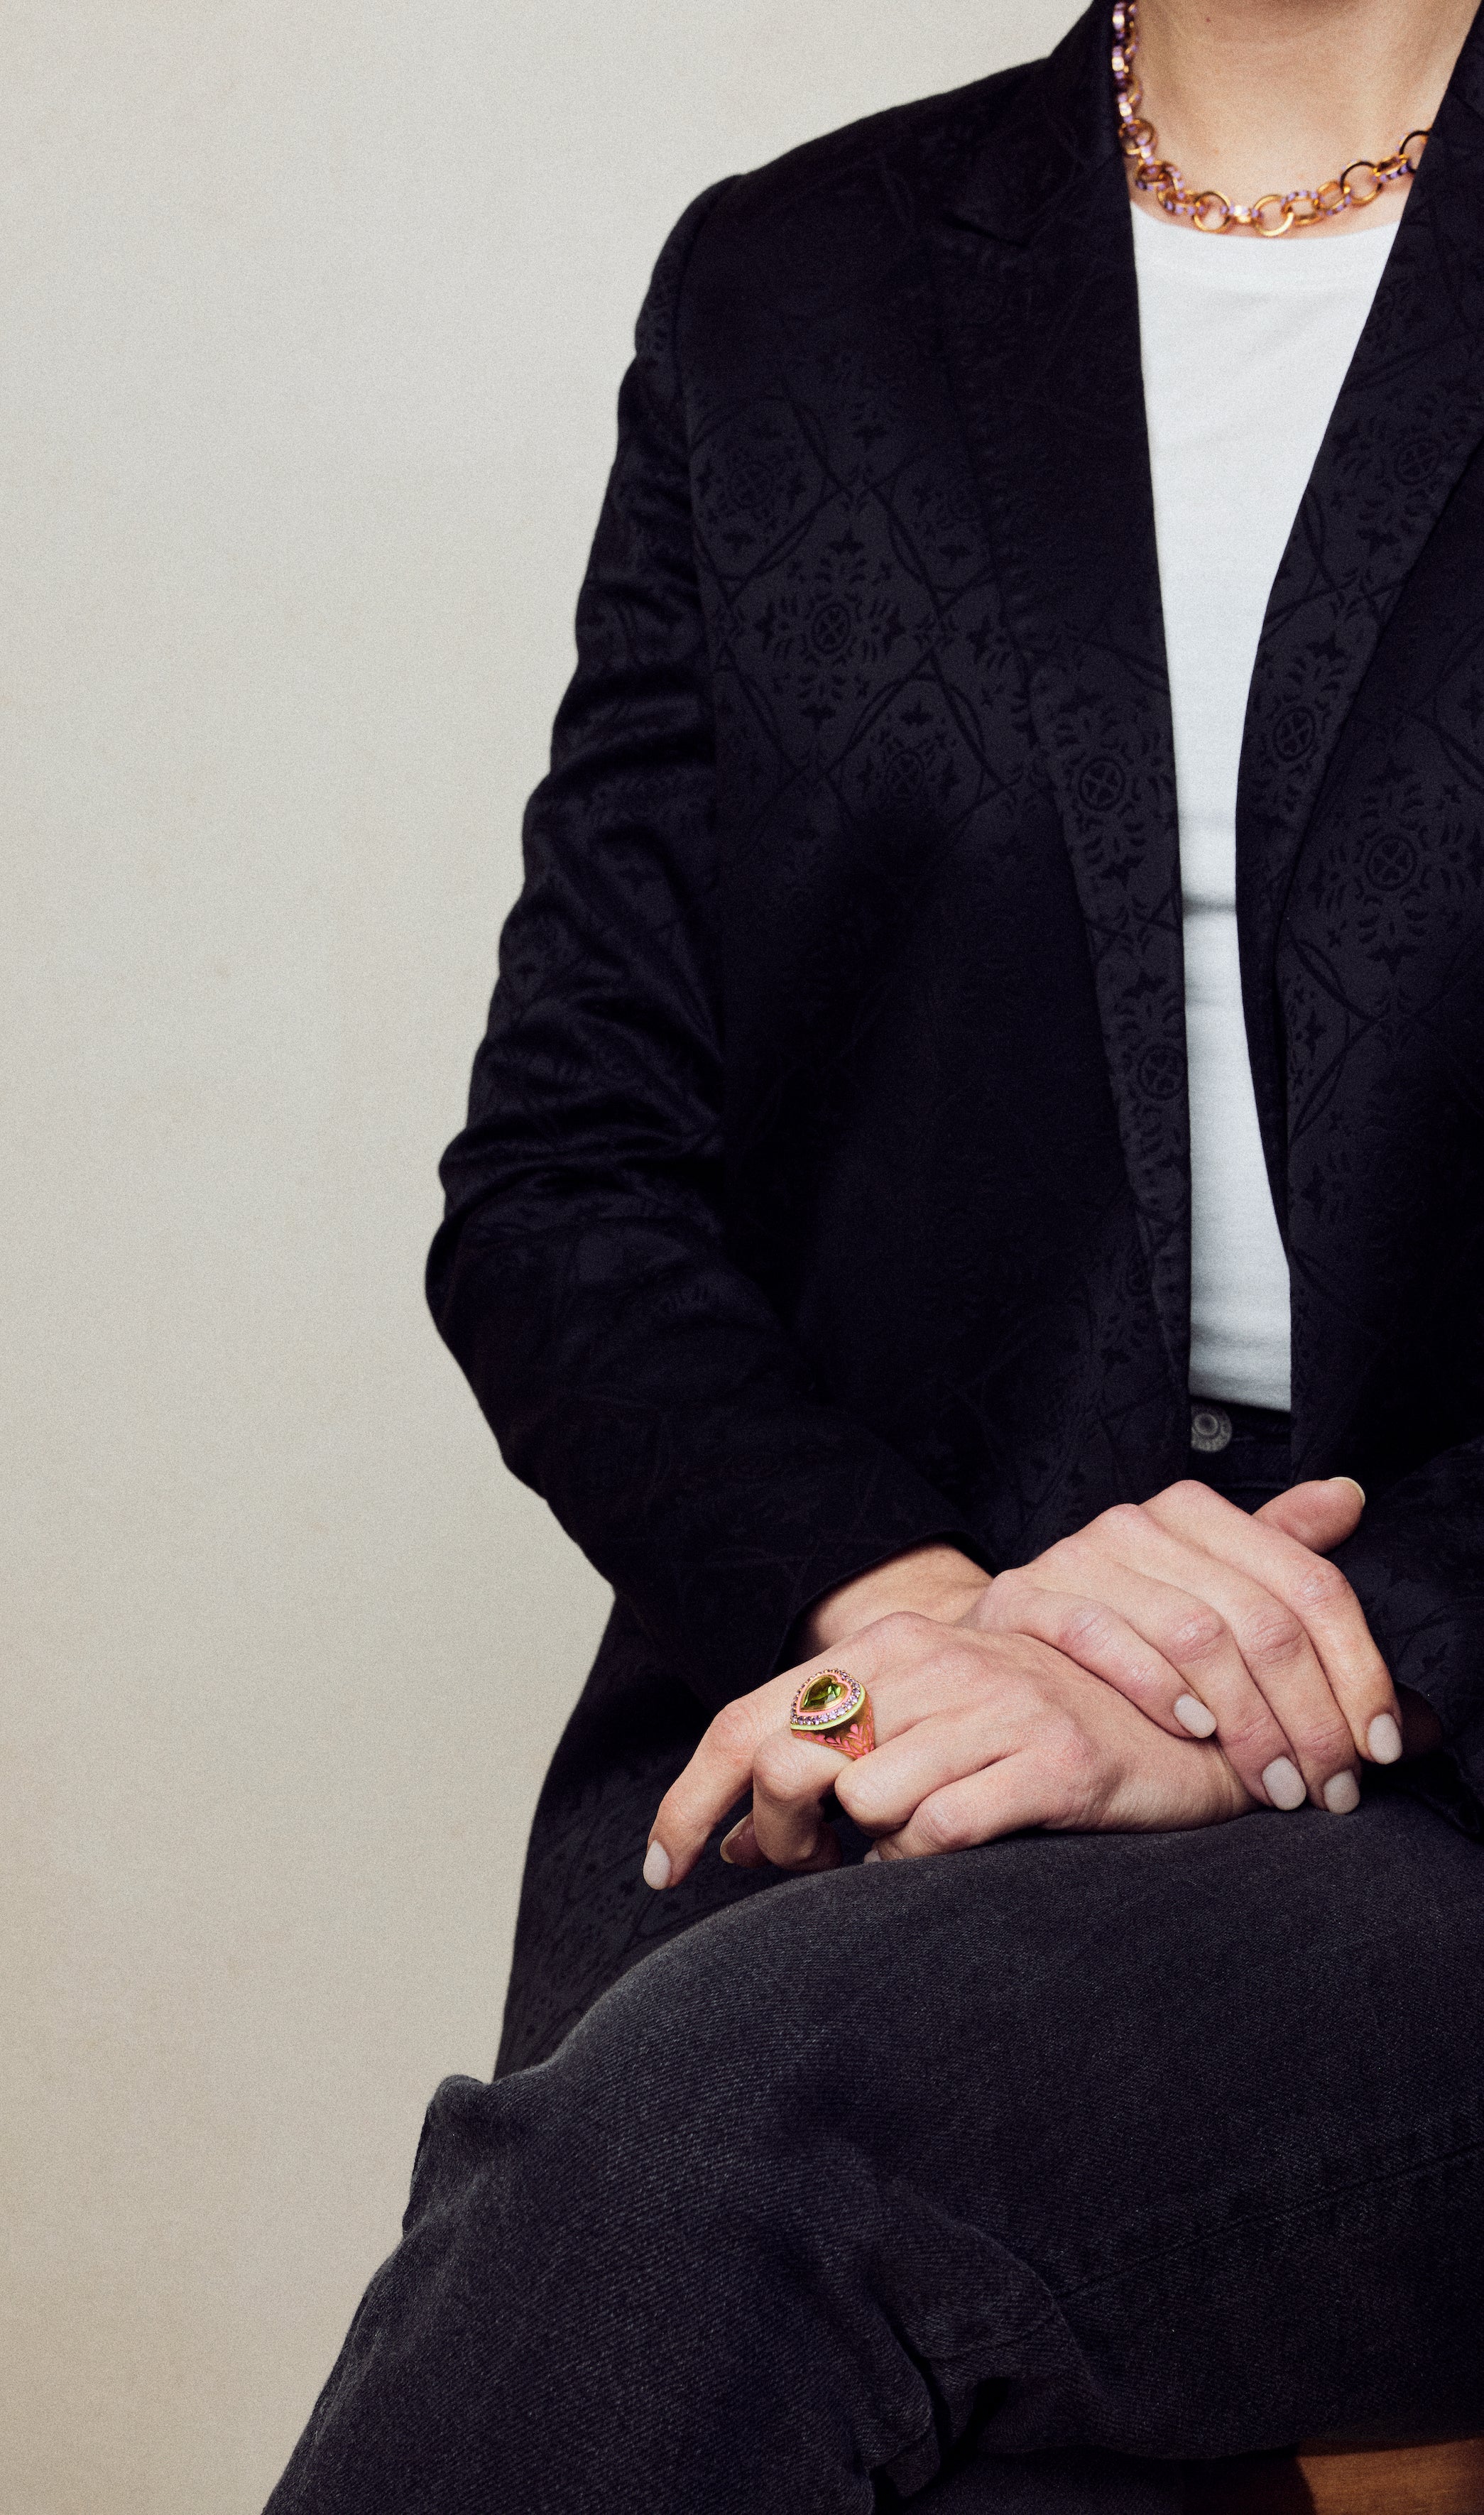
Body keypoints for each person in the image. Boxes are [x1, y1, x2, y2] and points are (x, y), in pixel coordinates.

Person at [266, 0, 1484, 2504]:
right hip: (907, 1693)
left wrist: (1259, 1669)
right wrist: (931, 1626)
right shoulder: (794, 286)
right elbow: (569, 1179)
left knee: (748, 2148)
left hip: (1449, 1739)